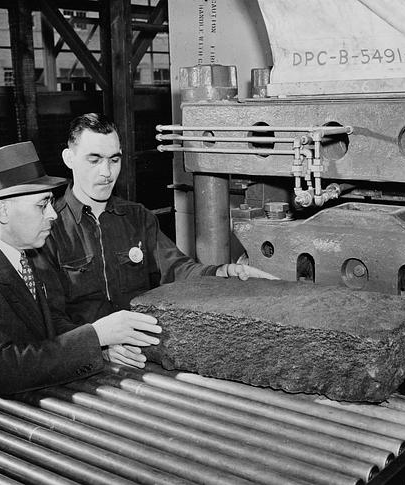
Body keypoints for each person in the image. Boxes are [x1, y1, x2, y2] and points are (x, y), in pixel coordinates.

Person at [0, 141, 161, 422]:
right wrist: (96, 335)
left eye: (51, 202)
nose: (52, 214)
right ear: (3, 211)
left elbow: (49, 326)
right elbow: (4, 369)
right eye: (42, 205)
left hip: (22, 403)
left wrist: (102, 348)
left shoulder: (25, 255)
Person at [39, 113, 277, 368]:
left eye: (114, 160)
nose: (106, 172)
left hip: (144, 351)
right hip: (85, 361)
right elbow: (50, 317)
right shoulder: (47, 230)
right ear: (69, 158)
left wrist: (222, 273)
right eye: (94, 160)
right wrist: (99, 346)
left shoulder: (137, 218)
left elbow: (176, 270)